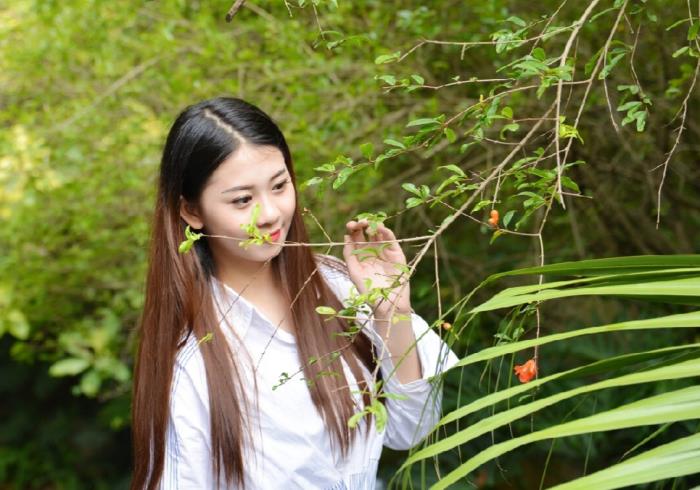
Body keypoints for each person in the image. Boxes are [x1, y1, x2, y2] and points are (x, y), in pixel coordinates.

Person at [130, 97, 459, 490]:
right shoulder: (193, 359)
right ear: (192, 211)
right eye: (243, 200)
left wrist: (392, 312)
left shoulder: (339, 286)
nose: (270, 213)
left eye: (279, 185)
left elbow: (412, 429)